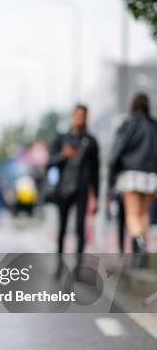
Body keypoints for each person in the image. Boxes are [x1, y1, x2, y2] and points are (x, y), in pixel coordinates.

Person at [48, 104, 100, 273]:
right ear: (72, 116)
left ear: (86, 118)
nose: (80, 118)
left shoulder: (91, 142)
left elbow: (95, 171)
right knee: (62, 228)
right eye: (77, 115)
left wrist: (96, 197)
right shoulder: (62, 139)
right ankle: (59, 263)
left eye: (83, 115)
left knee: (80, 228)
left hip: (82, 189)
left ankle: (78, 266)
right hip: (63, 189)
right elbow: (49, 162)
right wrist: (63, 155)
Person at [108, 93, 157, 267]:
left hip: (131, 174)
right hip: (152, 175)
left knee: (132, 215)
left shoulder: (128, 123)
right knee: (144, 214)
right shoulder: (154, 125)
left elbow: (117, 149)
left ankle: (139, 243)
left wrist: (112, 173)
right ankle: (140, 254)